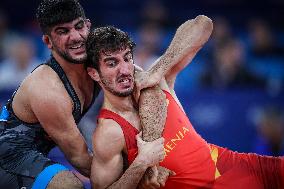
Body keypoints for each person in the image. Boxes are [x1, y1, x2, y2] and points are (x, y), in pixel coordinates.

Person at [86, 24, 284, 188]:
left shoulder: (155, 81)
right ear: (94, 73)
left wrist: (159, 69)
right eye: (112, 63)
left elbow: (203, 24)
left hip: (242, 169)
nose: (124, 70)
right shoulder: (109, 131)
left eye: (127, 58)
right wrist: (141, 164)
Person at [0, 0, 164, 189]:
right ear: (47, 42)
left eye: (78, 27)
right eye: (63, 32)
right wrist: (141, 167)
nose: (75, 37)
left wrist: (153, 165)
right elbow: (82, 160)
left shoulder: (100, 60)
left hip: (38, 151)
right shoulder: (47, 90)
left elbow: (147, 82)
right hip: (9, 156)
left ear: (88, 25)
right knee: (68, 185)